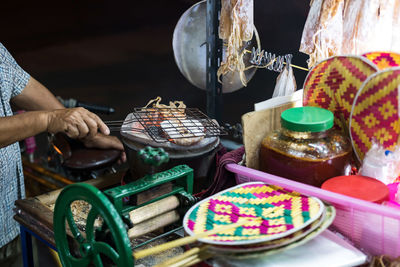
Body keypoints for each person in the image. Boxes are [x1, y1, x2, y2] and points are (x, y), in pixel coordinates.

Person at [0, 42, 126, 265]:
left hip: (10, 219)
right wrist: (49, 119)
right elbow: (50, 117)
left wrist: (85, 134)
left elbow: (20, 83)